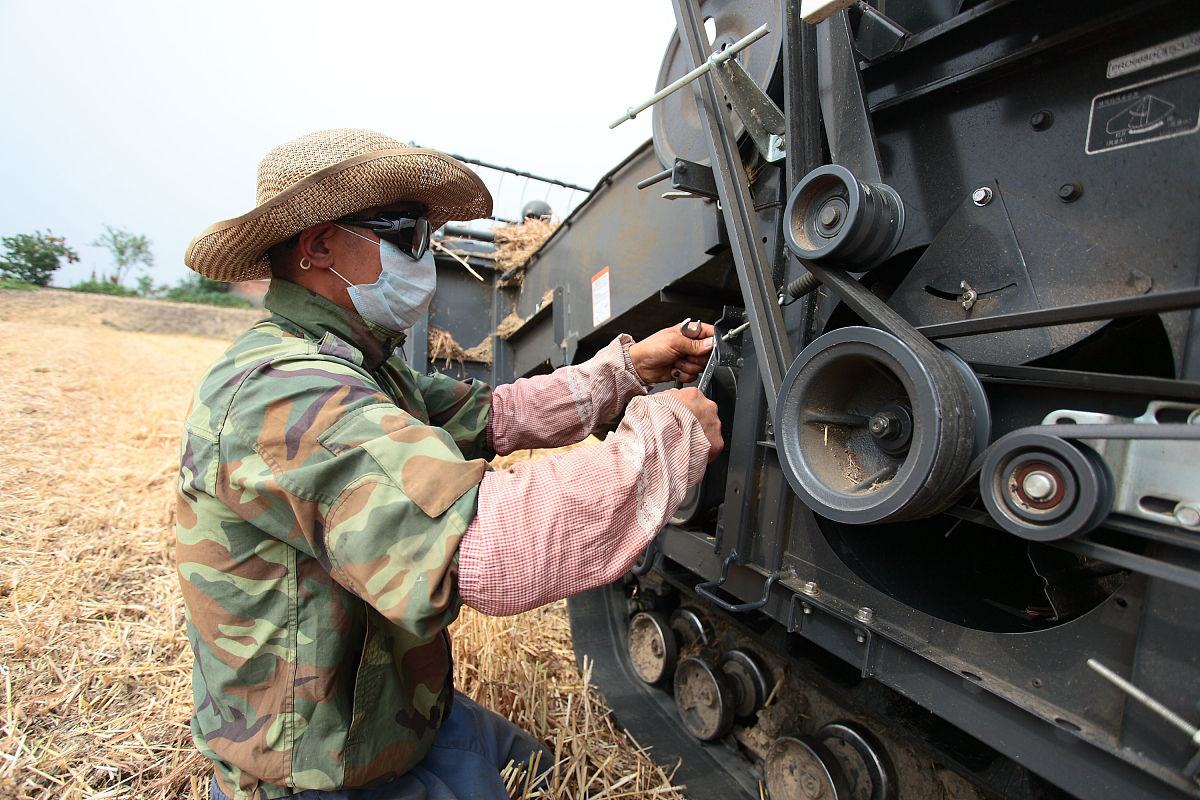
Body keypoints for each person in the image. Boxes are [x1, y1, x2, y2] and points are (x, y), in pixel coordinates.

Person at [177, 128, 722, 800]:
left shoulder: (356, 365)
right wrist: (668, 436)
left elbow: (498, 414)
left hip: (392, 719)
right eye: (408, 235)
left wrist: (628, 369)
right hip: (317, 771)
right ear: (318, 246)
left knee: (544, 774)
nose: (425, 257)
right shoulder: (287, 393)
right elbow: (489, 548)